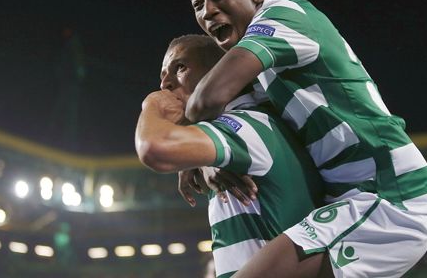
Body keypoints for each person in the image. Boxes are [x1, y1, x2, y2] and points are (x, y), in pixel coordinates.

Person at [182, 0, 427, 277]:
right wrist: (206, 158)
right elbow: (229, 124)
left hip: (387, 200)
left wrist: (183, 136)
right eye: (197, 4)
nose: (207, 11)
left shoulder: (282, 19)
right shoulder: (261, 66)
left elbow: (206, 100)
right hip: (344, 202)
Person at [135, 34, 323, 278]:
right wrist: (203, 161)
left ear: (218, 72)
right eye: (162, 76)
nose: (165, 85)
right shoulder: (255, 127)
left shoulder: (245, 125)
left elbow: (154, 148)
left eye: (180, 67)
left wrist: (152, 105)